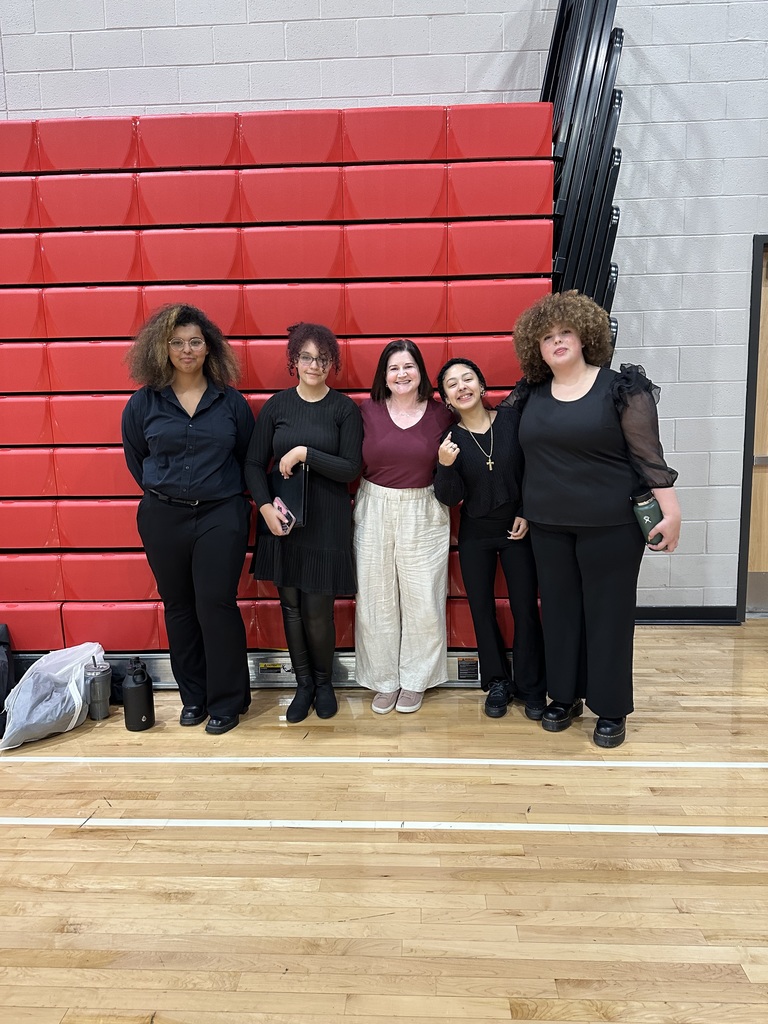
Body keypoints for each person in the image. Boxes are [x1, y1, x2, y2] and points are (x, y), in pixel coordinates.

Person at [507, 290, 681, 748]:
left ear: (585, 336)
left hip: (611, 526)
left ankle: (610, 708)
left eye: (565, 332)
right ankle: (563, 697)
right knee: (560, 614)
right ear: (536, 348)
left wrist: (672, 511)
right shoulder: (529, 395)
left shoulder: (621, 388)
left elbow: (649, 458)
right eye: (546, 337)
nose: (557, 341)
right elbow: (521, 461)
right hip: (548, 525)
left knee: (609, 616)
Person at [121, 304, 254, 735]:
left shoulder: (230, 402)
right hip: (163, 516)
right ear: (161, 348)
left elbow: (246, 458)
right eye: (176, 342)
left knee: (215, 604)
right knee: (178, 608)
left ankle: (227, 702)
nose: (186, 349)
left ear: (208, 346)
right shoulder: (143, 403)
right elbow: (137, 458)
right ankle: (193, 697)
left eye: (195, 341)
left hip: (222, 514)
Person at [244, 322, 362, 724]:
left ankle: (325, 684)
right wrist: (263, 508)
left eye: (323, 358)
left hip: (327, 525)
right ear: (294, 360)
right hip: (283, 524)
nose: (315, 365)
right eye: (307, 357)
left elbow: (350, 469)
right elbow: (253, 464)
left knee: (317, 611)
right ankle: (304, 685)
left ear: (332, 362)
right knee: (290, 608)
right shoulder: (277, 406)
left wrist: (304, 452)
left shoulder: (344, 409)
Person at [434, 357, 546, 720]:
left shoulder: (513, 421)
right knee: (481, 610)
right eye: (452, 384)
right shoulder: (449, 441)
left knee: (525, 609)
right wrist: (444, 466)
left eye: (468, 378)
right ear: (447, 399)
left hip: (517, 529)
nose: (461, 386)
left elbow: (535, 470)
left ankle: (531, 685)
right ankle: (497, 681)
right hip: (475, 535)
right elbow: (449, 498)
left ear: (482, 386)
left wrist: (527, 510)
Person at [354, 339, 454, 714]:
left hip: (423, 508)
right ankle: (383, 680)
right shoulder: (367, 412)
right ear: (384, 374)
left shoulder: (442, 414)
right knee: (375, 598)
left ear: (421, 373)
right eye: (394, 368)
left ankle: (415, 680)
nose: (401, 374)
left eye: (409, 366)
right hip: (374, 505)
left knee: (423, 599)